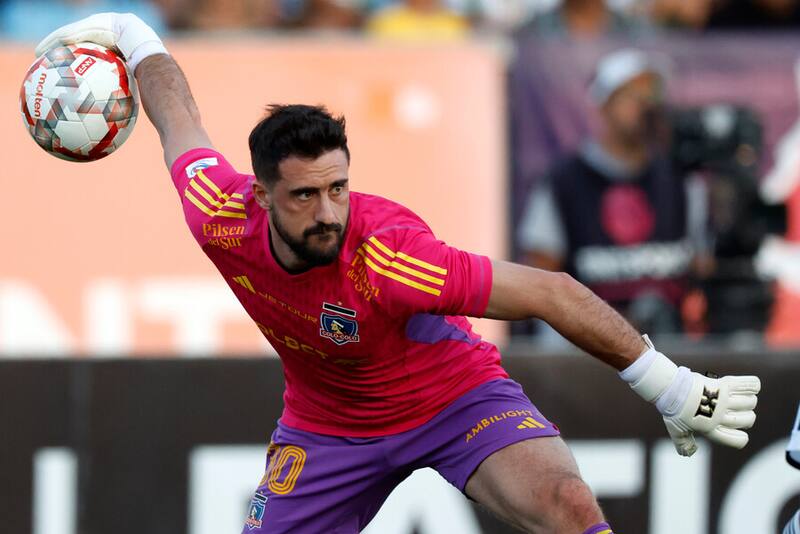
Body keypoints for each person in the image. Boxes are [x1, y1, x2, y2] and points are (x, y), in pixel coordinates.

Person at [35, 14, 761, 534]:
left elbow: (550, 290)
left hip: (455, 402)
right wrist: (132, 36)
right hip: (328, 428)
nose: (329, 212)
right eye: (305, 196)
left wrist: (672, 386)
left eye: (339, 188)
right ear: (259, 197)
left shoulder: (389, 255)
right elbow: (177, 117)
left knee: (570, 509)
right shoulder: (218, 214)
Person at [518, 48, 708, 336]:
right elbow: (540, 276)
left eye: (651, 95)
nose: (646, 106)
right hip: (585, 351)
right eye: (632, 95)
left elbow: (703, 268)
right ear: (603, 104)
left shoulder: (682, 180)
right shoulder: (563, 181)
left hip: (670, 349)